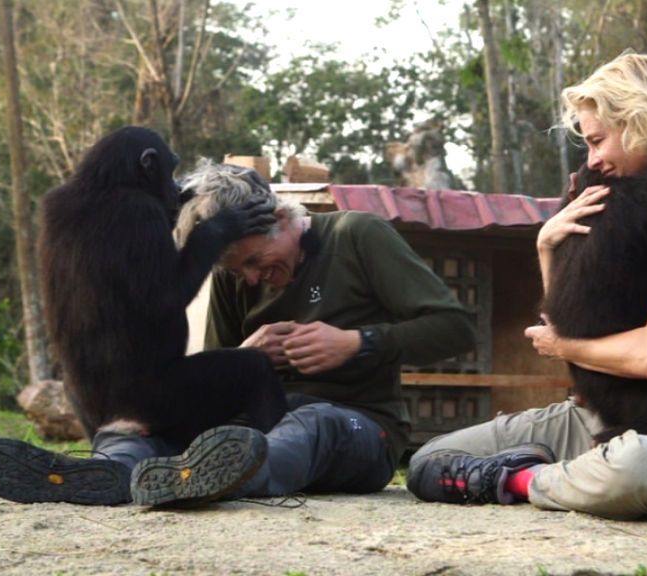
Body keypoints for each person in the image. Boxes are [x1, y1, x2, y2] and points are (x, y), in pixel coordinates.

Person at [406, 53, 647, 519]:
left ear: (642, 121)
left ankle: (522, 479)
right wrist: (548, 245)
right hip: (605, 418)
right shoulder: (636, 211)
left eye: (598, 141)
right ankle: (569, 474)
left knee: (637, 467)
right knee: (430, 460)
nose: (594, 160)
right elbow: (578, 315)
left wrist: (559, 344)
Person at [129, 160, 476, 505]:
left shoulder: (355, 236)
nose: (249, 279)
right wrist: (242, 358)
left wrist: (357, 343)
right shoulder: (230, 277)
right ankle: (118, 468)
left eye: (253, 260)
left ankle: (223, 475)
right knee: (140, 425)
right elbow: (215, 390)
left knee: (315, 424)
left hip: (362, 428)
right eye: (237, 271)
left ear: (280, 219)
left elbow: (456, 329)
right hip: (260, 421)